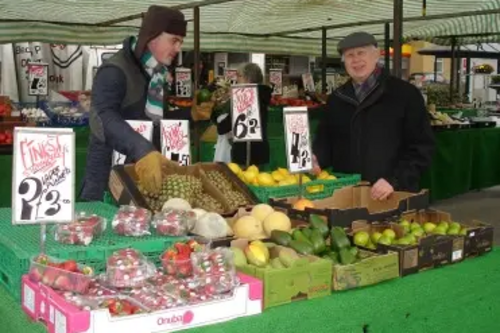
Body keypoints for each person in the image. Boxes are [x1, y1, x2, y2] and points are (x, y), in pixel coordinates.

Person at [80, 5, 187, 201]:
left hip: (141, 182)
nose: (178, 48)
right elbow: (102, 117)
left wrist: (190, 115)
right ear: (152, 36)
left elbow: (152, 119)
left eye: (181, 42)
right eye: (174, 40)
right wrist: (142, 149)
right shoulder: (115, 70)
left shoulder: (158, 74)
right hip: (106, 181)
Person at [312, 32, 435, 199]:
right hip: (348, 194)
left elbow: (422, 147)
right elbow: (325, 141)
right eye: (349, 55)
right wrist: (316, 159)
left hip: (393, 195)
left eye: (361, 53)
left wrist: (395, 180)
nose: (356, 60)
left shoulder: (405, 95)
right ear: (344, 62)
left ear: (377, 55)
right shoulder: (336, 99)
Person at [211, 63, 272, 165]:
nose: (236, 80)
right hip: (260, 153)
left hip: (244, 156)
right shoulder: (262, 95)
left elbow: (223, 128)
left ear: (248, 79)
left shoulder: (245, 98)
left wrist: (215, 108)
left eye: (239, 76)